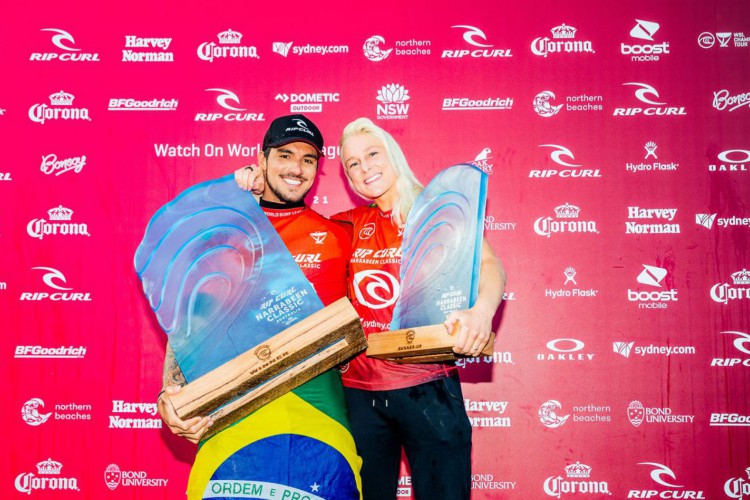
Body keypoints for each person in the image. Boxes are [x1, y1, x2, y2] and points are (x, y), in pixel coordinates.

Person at [235, 117, 506, 499]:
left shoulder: (435, 211)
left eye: (372, 154)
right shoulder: (343, 225)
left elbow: (489, 267)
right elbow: (281, 231)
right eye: (353, 164)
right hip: (359, 397)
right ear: (346, 178)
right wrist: (249, 184)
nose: (365, 168)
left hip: (428, 388)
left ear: (392, 154)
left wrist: (481, 313)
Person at [157, 114, 362, 500]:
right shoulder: (222, 235)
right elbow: (192, 320)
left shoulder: (340, 236)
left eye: (308, 160)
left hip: (318, 400)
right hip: (235, 399)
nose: (296, 168)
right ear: (261, 160)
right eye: (285, 155)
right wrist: (170, 393)